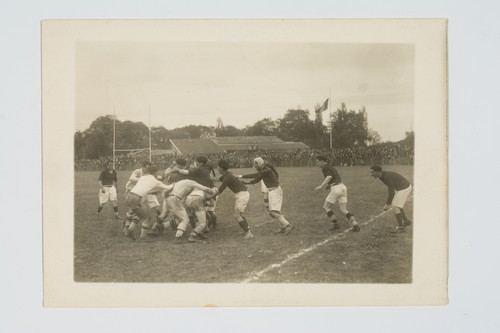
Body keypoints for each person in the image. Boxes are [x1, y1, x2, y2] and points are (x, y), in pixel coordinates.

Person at [240, 157, 293, 235]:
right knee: (276, 211)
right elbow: (256, 180)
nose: (255, 166)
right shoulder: (263, 170)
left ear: (259, 164)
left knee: (272, 212)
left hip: (275, 191)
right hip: (273, 191)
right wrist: (245, 183)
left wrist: (240, 176)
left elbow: (255, 175)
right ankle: (283, 228)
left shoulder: (266, 170)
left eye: (255, 164)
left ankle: (288, 225)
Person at [123, 165, 173, 239]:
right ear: (155, 172)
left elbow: (143, 188)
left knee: (139, 215)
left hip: (129, 196)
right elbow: (168, 187)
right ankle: (142, 237)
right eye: (157, 172)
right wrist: (175, 184)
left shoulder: (143, 177)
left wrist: (152, 192)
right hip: (136, 199)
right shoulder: (155, 181)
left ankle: (129, 231)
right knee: (147, 217)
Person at [314, 156, 360, 232]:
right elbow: (335, 177)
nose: (317, 164)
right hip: (343, 187)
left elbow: (329, 176)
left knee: (326, 207)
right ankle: (355, 225)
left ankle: (335, 224)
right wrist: (329, 185)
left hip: (336, 189)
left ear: (322, 161)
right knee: (343, 209)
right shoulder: (331, 167)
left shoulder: (324, 168)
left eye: (317, 162)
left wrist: (321, 186)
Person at [163, 179, 216, 243]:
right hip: (190, 200)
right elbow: (211, 204)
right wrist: (211, 197)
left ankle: (162, 226)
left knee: (185, 218)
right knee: (201, 222)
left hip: (185, 200)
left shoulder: (191, 188)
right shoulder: (203, 187)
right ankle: (191, 236)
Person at [215, 159, 254, 239]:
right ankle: (247, 230)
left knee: (237, 215)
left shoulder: (227, 177)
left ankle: (248, 233)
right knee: (238, 214)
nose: (217, 168)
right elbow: (217, 179)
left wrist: (209, 197)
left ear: (221, 168)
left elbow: (219, 191)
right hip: (241, 194)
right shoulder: (227, 174)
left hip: (242, 195)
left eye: (218, 167)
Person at [370, 165, 413, 232]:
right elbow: (391, 189)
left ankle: (401, 228)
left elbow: (391, 190)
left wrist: (387, 204)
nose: (371, 174)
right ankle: (406, 221)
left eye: (373, 172)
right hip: (400, 188)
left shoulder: (386, 176)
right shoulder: (382, 176)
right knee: (397, 204)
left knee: (395, 206)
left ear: (378, 172)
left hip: (404, 188)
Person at [124, 161, 162, 225]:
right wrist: (143, 179)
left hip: (144, 192)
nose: (148, 170)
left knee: (157, 208)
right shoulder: (137, 171)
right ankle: (127, 223)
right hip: (133, 191)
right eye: (147, 168)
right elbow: (131, 178)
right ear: (143, 167)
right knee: (134, 210)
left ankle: (157, 225)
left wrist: (162, 177)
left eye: (149, 168)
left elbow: (156, 176)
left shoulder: (148, 173)